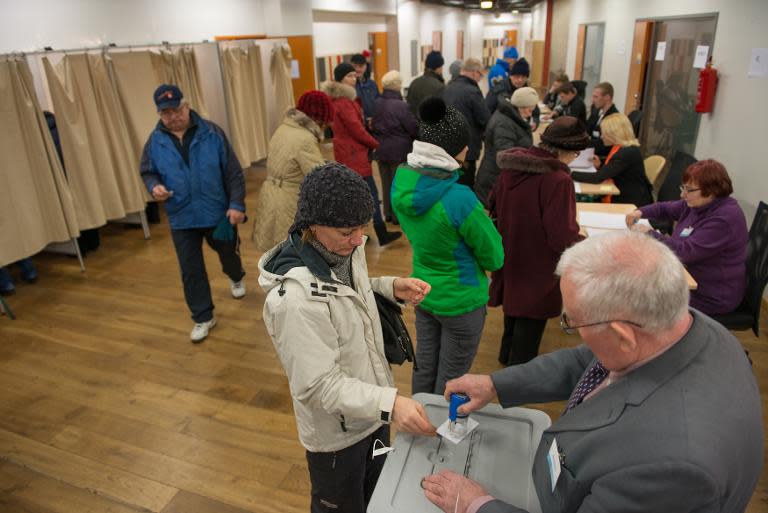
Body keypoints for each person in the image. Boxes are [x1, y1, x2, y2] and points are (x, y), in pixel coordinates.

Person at [423, 231, 762, 513]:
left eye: (570, 320)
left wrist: (475, 504)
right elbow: (587, 361)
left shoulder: (670, 466)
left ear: (622, 335)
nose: (568, 326)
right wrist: (494, 382)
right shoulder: (676, 327)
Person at [258, 164, 436, 513]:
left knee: (378, 490)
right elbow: (319, 386)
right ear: (310, 226)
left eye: (361, 229)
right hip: (338, 441)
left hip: (374, 417)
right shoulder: (293, 303)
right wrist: (393, 404)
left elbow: (348, 294)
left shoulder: (342, 251)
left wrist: (387, 287)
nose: (358, 240)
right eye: (346, 232)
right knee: (340, 505)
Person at [391, 96, 504, 395]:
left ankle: (419, 427)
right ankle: (441, 431)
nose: (469, 149)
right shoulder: (460, 199)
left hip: (423, 290)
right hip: (461, 299)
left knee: (425, 366)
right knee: (452, 377)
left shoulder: (401, 183)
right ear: (454, 151)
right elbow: (495, 257)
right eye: (465, 145)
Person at [140, 84, 246, 343]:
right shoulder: (155, 141)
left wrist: (236, 204)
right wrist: (155, 187)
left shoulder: (212, 132)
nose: (173, 116)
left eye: (177, 109)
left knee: (228, 252)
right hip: (181, 216)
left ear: (186, 106)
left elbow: (232, 171)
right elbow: (148, 171)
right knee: (190, 269)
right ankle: (202, 316)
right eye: (166, 113)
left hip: (217, 212)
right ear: (159, 114)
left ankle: (235, 276)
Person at [489, 117, 587, 366]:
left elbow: (492, 205)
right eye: (575, 153)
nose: (574, 159)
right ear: (565, 150)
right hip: (539, 262)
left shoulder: (511, 167)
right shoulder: (558, 180)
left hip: (510, 251)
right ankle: (517, 379)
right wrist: (583, 242)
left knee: (513, 309)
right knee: (531, 321)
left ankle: (504, 359)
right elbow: (560, 235)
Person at [627, 159, 748, 315]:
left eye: (689, 190)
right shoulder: (698, 203)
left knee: (639, 295)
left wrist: (648, 233)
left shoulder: (724, 219)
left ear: (711, 191)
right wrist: (639, 212)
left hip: (709, 294)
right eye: (683, 187)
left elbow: (685, 253)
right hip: (687, 276)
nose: (683, 194)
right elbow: (664, 208)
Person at [321, 63, 402, 246]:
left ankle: (354, 235)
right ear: (341, 79)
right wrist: (375, 143)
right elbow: (356, 129)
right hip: (354, 154)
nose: (354, 78)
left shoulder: (341, 100)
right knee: (369, 194)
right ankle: (380, 233)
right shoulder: (344, 102)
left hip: (348, 153)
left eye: (354, 75)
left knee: (355, 196)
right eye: (349, 76)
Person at [253, 90, 332, 252]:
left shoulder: (284, 127)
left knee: (274, 250)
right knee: (292, 253)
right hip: (289, 199)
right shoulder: (305, 138)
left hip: (270, 195)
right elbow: (319, 178)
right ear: (318, 116)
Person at [570, 113, 654, 207]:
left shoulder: (626, 153)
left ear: (613, 134)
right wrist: (601, 165)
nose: (602, 137)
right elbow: (615, 171)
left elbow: (597, 178)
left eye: (604, 133)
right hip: (626, 193)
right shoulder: (624, 148)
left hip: (629, 202)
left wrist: (570, 173)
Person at [474, 86, 537, 208]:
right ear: (520, 106)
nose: (530, 114)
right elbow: (507, 156)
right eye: (529, 110)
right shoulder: (504, 123)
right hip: (493, 180)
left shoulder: (512, 117)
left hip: (498, 177)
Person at [372, 70, 418, 225]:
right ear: (397, 85)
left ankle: (388, 214)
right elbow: (412, 128)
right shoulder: (401, 106)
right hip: (399, 151)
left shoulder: (376, 102)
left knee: (385, 184)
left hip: (380, 149)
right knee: (398, 184)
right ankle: (399, 216)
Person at [442, 58, 492, 189]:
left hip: (447, 146)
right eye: (481, 75)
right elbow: (485, 119)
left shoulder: (448, 88)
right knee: (465, 185)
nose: (480, 78)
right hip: (466, 150)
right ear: (475, 72)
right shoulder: (472, 91)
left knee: (451, 185)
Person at [485, 57, 540, 127]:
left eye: (523, 77)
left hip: (521, 129)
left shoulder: (528, 91)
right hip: (501, 129)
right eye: (517, 76)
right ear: (510, 76)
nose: (520, 80)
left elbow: (535, 111)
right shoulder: (498, 90)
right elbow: (487, 112)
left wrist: (535, 122)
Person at [586, 82, 619, 163]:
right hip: (592, 151)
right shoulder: (597, 111)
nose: (592, 100)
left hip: (601, 157)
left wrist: (583, 144)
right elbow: (588, 130)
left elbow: (605, 146)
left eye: (595, 97)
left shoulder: (613, 118)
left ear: (607, 97)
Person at [407, 50, 445, 116]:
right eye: (441, 66)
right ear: (437, 67)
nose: (442, 69)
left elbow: (409, 107)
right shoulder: (440, 87)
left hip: (414, 124)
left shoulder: (414, 83)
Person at [350, 53, 379, 127]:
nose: (358, 69)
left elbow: (378, 102)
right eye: (355, 66)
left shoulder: (372, 84)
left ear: (366, 66)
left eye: (361, 66)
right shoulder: (349, 85)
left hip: (374, 123)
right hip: (358, 125)